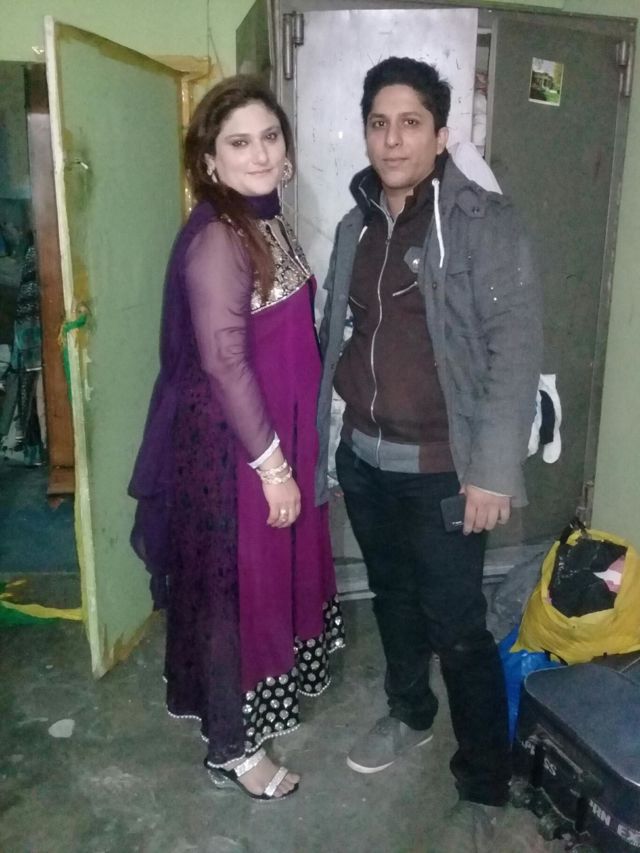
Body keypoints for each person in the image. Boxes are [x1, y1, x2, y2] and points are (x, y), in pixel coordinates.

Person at [315, 57, 542, 848]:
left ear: (441, 134)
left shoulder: (485, 224)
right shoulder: (355, 226)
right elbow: (340, 335)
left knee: (458, 624)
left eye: (411, 122)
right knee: (393, 598)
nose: (393, 139)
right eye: (379, 123)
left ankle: (484, 778)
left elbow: (515, 350)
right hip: (365, 461)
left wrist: (492, 472)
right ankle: (409, 711)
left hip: (446, 470)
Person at [129, 76, 344, 802]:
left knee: (271, 586)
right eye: (239, 142)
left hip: (279, 436)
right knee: (236, 599)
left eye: (270, 137)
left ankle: (257, 717)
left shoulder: (267, 218)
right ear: (209, 160)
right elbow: (224, 361)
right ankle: (232, 746)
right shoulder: (218, 237)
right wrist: (274, 468)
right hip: (236, 454)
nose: (260, 154)